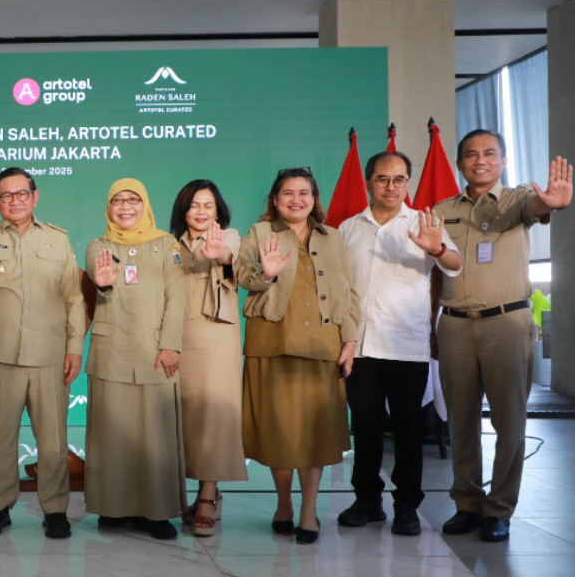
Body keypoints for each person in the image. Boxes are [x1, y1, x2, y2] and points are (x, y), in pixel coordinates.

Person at [435, 130, 571, 543]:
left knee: (509, 421)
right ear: (459, 164)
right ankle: (467, 503)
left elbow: (536, 208)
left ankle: (499, 509)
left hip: (507, 324)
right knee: (460, 420)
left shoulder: (516, 200)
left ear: (504, 161)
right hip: (455, 324)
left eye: (490, 153)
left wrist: (549, 203)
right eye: (471, 155)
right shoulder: (442, 210)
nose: (480, 160)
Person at [0, 168, 87, 540]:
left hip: (49, 354)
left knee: (54, 437)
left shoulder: (58, 240)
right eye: (6, 196)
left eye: (21, 193)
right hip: (0, 354)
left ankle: (56, 510)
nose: (15, 200)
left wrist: (75, 347)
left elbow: (74, 297)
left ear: (35, 196)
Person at [337, 151, 461, 536]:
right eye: (382, 179)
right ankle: (367, 501)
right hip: (360, 346)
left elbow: (455, 264)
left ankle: (407, 505)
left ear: (408, 182)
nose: (391, 187)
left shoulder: (425, 222)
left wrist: (436, 248)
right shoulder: (348, 228)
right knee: (367, 428)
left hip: (407, 345)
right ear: (369, 182)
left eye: (399, 179)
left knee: (409, 430)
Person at [236, 167, 360, 545]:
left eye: (303, 192)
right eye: (287, 193)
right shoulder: (259, 233)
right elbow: (242, 276)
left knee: (314, 433)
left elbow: (349, 292)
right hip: (272, 341)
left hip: (323, 344)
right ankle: (283, 504)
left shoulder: (334, 238)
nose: (296, 199)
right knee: (278, 430)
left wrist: (350, 341)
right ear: (275, 200)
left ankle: (308, 511)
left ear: (313, 198)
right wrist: (267, 273)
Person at [85, 178, 186, 540]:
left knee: (154, 436)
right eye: (118, 201)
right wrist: (103, 282)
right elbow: (101, 281)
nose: (126, 208)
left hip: (156, 350)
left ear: (145, 205)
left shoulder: (167, 245)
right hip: (111, 351)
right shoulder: (100, 244)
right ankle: (113, 509)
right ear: (109, 208)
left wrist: (172, 344)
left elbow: (178, 296)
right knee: (112, 434)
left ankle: (156, 512)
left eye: (133, 200)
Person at [169, 179, 247, 537]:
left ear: (218, 211)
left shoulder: (229, 237)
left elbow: (227, 257)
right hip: (175, 336)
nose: (201, 212)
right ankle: (181, 493)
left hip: (216, 336)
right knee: (183, 417)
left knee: (214, 416)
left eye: (208, 205)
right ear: (183, 209)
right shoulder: (167, 244)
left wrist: (219, 255)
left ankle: (207, 496)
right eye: (194, 205)